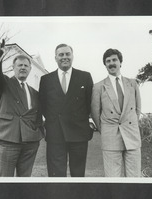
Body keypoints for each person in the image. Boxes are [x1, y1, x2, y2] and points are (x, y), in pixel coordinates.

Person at [0, 40, 44, 177]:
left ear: (30, 69)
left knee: (24, 181)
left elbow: (37, 116)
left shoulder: (34, 93)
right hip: (7, 140)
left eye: (26, 65)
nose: (23, 68)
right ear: (13, 67)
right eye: (19, 65)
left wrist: (38, 133)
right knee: (3, 180)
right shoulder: (4, 83)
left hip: (30, 143)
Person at [39, 44, 93, 177]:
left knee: (78, 174)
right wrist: (51, 123)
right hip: (55, 134)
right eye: (61, 54)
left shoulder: (85, 77)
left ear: (72, 56)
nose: (64, 57)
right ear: (55, 58)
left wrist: (90, 123)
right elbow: (43, 105)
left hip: (79, 133)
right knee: (56, 175)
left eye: (67, 54)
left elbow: (90, 103)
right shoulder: (46, 80)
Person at [91, 48, 142, 177]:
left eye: (114, 60)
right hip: (110, 137)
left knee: (134, 177)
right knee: (113, 178)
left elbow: (137, 109)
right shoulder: (98, 87)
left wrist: (130, 125)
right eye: (108, 61)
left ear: (120, 62)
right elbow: (95, 113)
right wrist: (106, 129)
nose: (111, 63)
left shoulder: (133, 83)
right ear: (105, 65)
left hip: (132, 135)